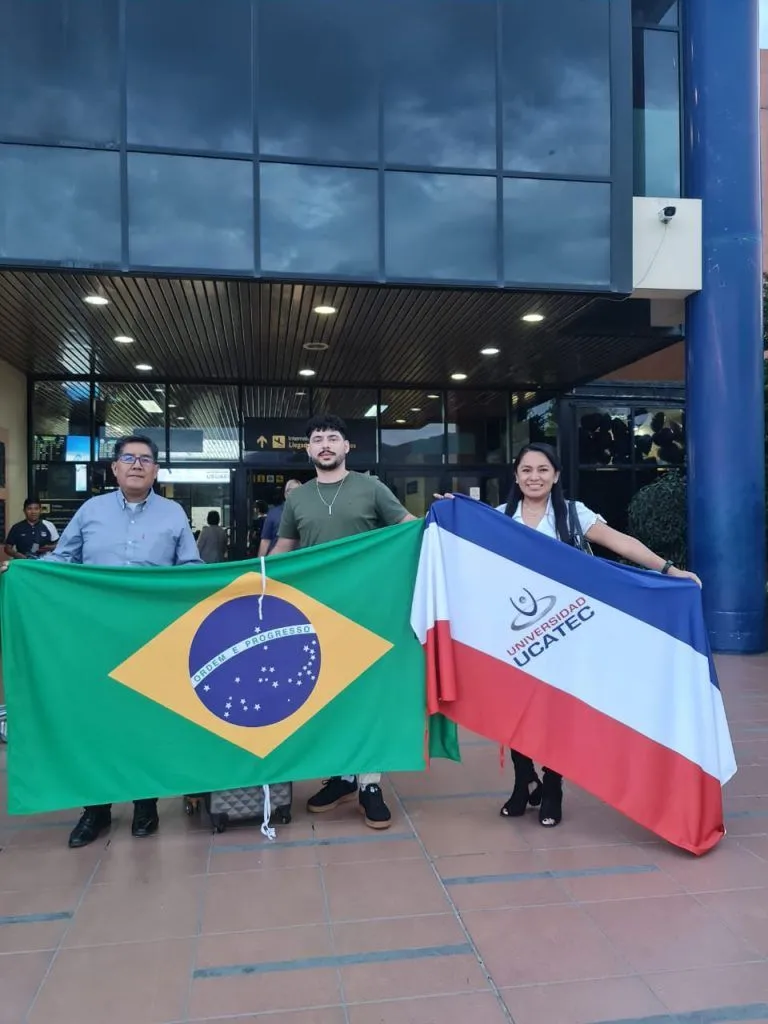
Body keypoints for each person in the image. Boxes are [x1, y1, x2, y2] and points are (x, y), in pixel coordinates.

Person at [496, 442, 701, 828]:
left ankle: (553, 783)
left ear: (556, 475)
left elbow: (619, 542)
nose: (534, 477)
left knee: (556, 708)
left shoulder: (574, 514)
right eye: (526, 470)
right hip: (514, 631)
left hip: (564, 631)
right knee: (516, 708)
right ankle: (524, 780)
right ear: (516, 475)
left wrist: (669, 570)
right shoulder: (499, 517)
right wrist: (449, 512)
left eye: (542, 469)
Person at [35, 435, 201, 848]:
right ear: (114, 468)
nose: (137, 465)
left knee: (146, 720)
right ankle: (96, 810)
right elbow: (62, 558)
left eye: (146, 459)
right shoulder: (91, 511)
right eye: (128, 458)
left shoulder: (172, 512)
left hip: (152, 636)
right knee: (95, 720)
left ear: (156, 470)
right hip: (94, 635)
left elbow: (192, 568)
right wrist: (25, 573)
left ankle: (146, 804)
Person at [270, 415, 416, 829]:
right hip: (317, 615)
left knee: (367, 696)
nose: (326, 444)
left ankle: (369, 783)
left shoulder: (371, 487)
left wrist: (445, 520)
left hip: (370, 612)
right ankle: (342, 776)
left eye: (333, 438)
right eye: (318, 439)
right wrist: (248, 581)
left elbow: (408, 530)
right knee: (327, 695)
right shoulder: (298, 500)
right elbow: (284, 548)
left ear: (347, 446)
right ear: (309, 450)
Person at [258, 479, 302, 556]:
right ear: (285, 494)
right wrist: (260, 564)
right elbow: (265, 541)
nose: (295, 493)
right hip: (278, 561)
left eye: (298, 490)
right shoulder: (273, 514)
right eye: (291, 490)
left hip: (301, 561)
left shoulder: (307, 514)